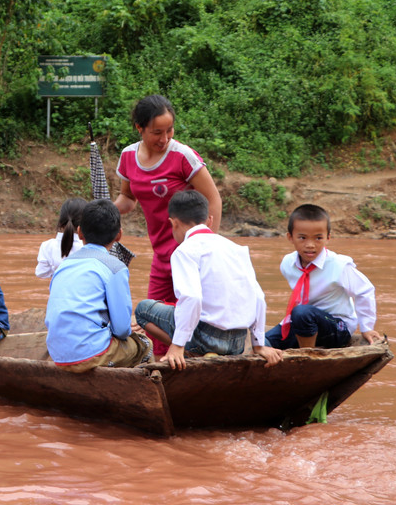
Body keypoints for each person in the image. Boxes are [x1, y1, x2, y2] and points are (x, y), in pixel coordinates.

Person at [113, 95, 222, 358]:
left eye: (169, 130)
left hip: (190, 256)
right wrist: (105, 210)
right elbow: (128, 198)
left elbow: (213, 198)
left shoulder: (182, 156)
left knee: (193, 321)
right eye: (157, 132)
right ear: (140, 128)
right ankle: (166, 370)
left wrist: (208, 247)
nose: (164, 138)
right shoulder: (128, 157)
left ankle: (194, 363)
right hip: (161, 256)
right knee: (154, 321)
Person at [133, 191, 282, 370]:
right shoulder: (237, 249)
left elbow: (192, 297)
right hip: (237, 341)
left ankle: (188, 350)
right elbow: (258, 297)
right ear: (210, 221)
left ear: (173, 223)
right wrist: (259, 345)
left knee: (143, 309)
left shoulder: (184, 250)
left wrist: (177, 345)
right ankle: (198, 350)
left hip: (204, 338)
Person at [45, 199, 152, 371]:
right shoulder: (115, 267)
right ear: (119, 235)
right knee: (145, 345)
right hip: (89, 354)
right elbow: (122, 330)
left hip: (57, 354)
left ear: (79, 232)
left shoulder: (64, 265)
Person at [265, 204, 382, 350]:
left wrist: (367, 328)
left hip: (337, 327)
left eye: (318, 238)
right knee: (263, 343)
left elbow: (364, 290)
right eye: (302, 238)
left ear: (328, 238)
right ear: (290, 237)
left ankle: (306, 355)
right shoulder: (288, 263)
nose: (310, 245)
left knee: (302, 313)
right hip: (304, 322)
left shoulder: (338, 265)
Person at [35, 197, 87, 279]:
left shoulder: (47, 246)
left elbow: (41, 273)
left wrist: (56, 268)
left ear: (61, 222)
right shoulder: (90, 247)